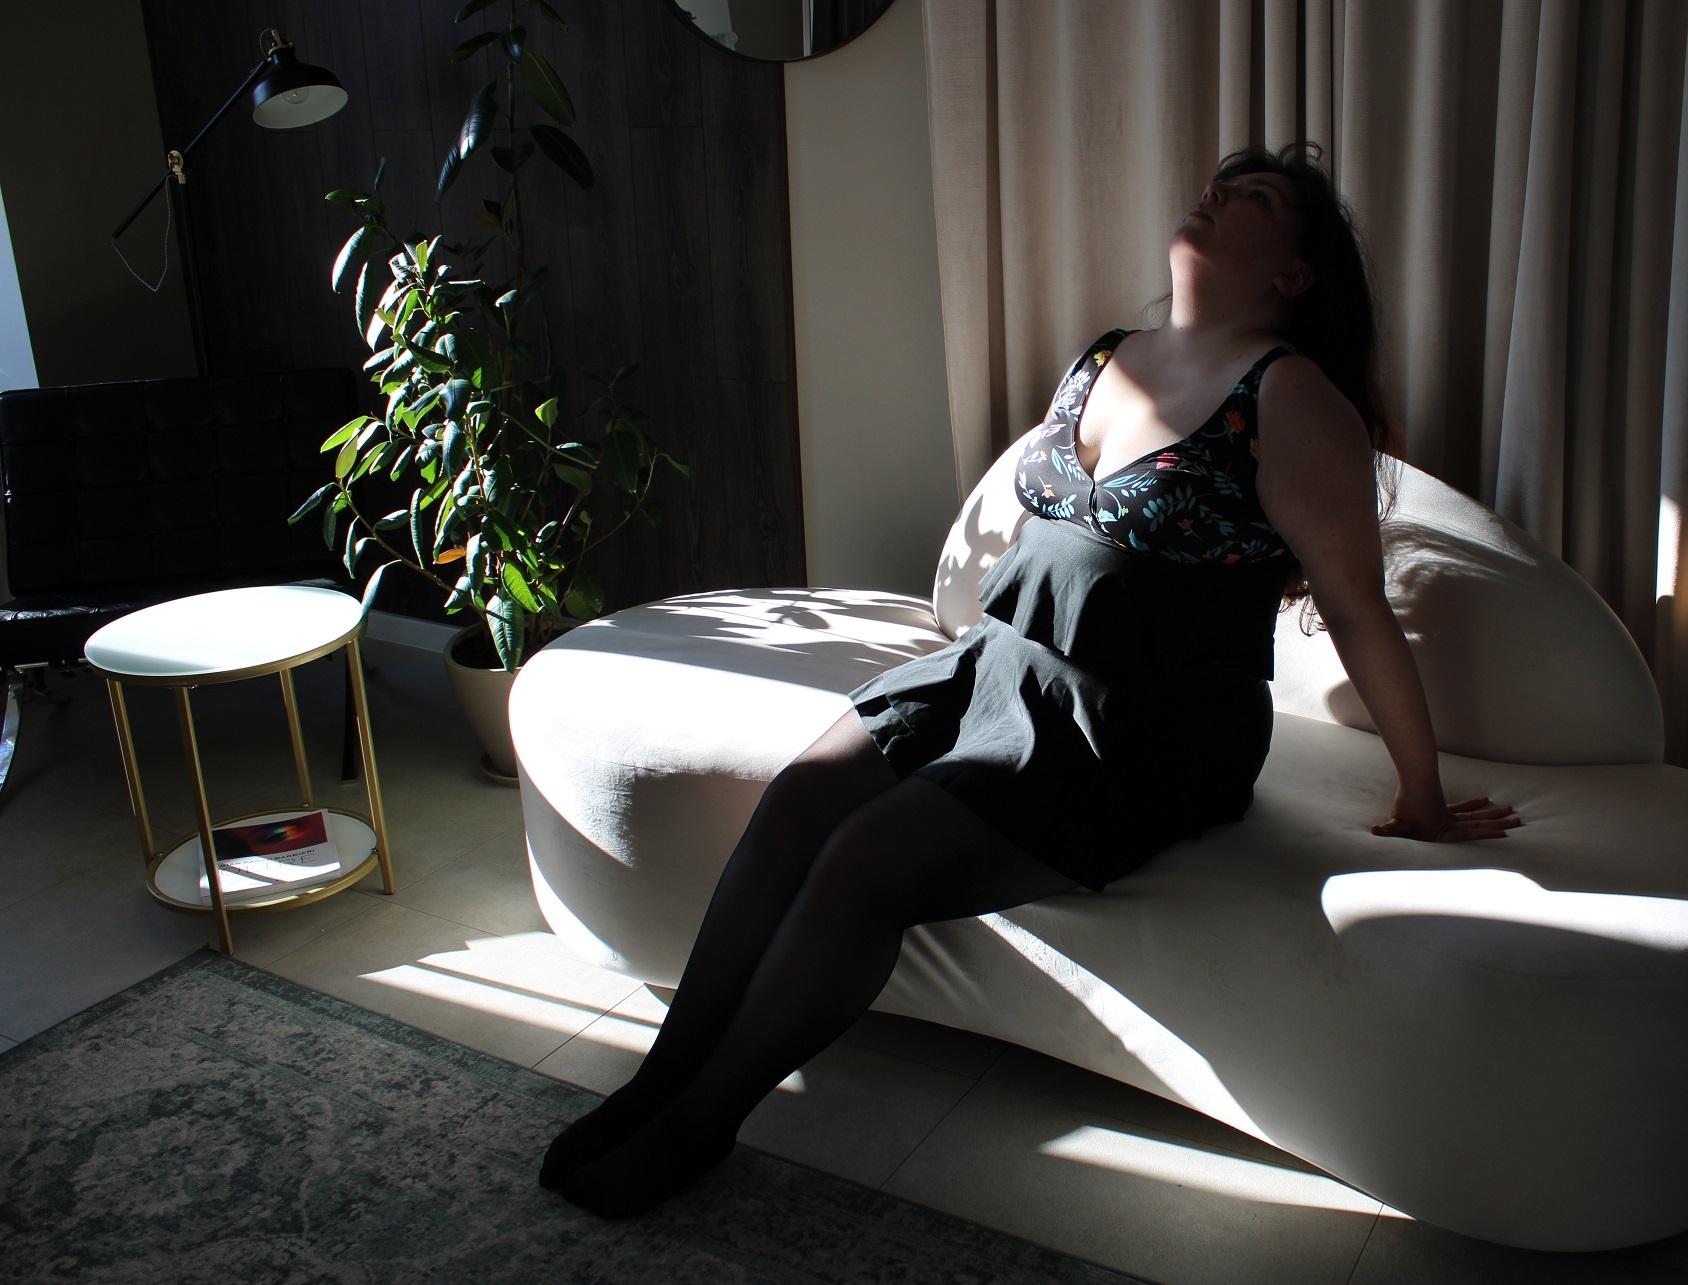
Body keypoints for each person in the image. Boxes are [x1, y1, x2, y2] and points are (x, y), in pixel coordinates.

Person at [543, 141, 1525, 1218]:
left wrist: (1421, 793)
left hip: (1138, 727)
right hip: (998, 668)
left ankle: (699, 1124)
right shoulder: (1109, 356)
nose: (1213, 193)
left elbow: (1356, 608)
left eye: (1250, 198)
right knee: (797, 801)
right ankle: (658, 1081)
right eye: (1220, 181)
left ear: (1292, 273)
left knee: (864, 861)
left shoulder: (1290, 399)